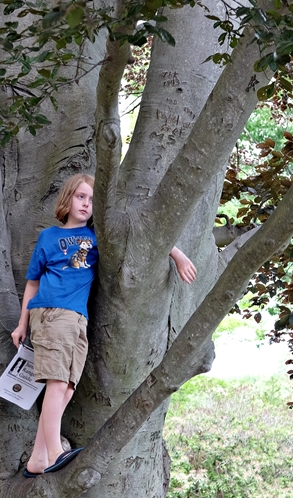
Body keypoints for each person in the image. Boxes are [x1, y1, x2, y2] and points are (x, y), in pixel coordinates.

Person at [11, 173, 196, 476]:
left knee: (67, 389)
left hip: (77, 320)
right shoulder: (49, 237)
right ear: (68, 199)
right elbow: (32, 283)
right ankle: (55, 451)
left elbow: (142, 238)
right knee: (56, 385)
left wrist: (177, 254)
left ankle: (37, 459)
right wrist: (21, 326)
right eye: (81, 196)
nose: (86, 204)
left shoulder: (98, 237)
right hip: (50, 313)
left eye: (92, 199)